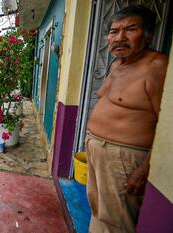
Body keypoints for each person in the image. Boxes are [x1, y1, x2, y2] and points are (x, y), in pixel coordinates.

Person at [86, 5, 168, 233]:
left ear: (148, 34)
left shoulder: (156, 66)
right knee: (98, 210)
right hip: (97, 150)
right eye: (114, 31)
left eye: (130, 29)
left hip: (123, 157)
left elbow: (168, 126)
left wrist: (145, 168)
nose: (120, 37)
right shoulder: (116, 65)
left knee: (118, 221)